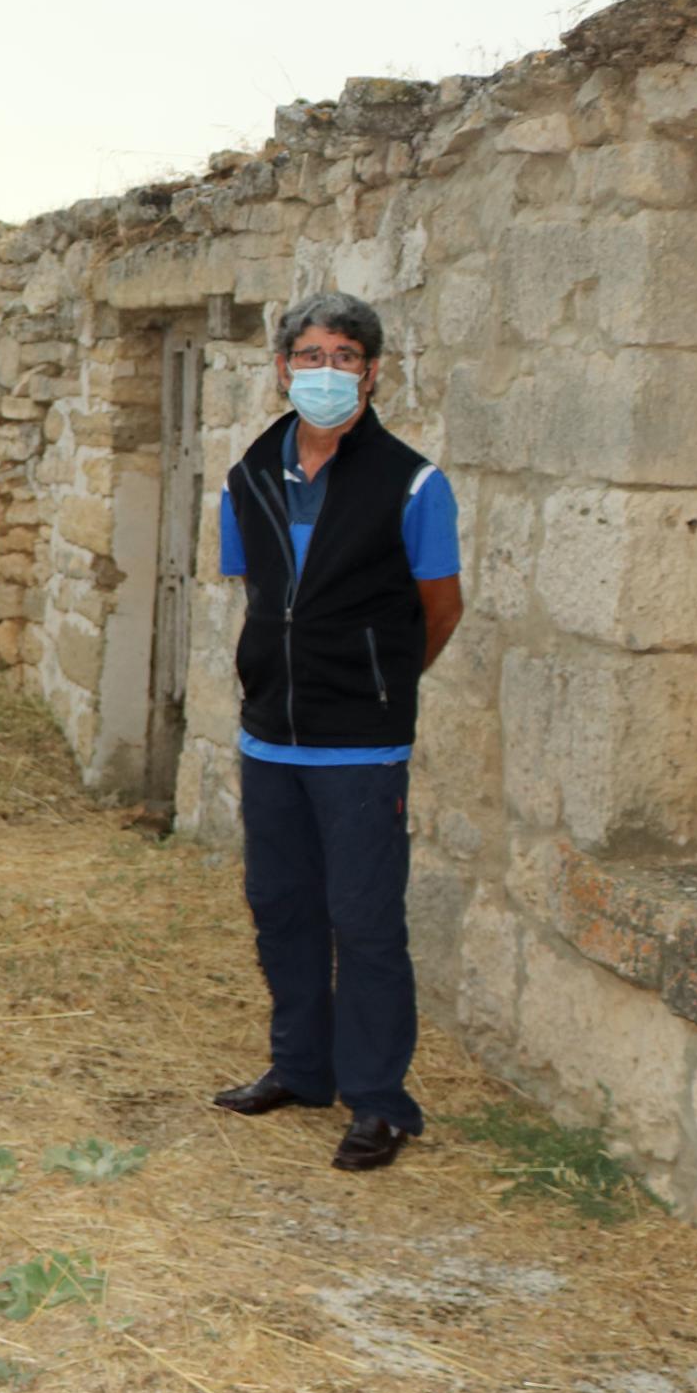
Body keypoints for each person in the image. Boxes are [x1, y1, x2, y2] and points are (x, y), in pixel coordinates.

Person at [207, 292, 463, 1172]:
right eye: (310, 356)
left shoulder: (414, 483)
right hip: (269, 738)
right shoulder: (248, 474)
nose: (326, 372)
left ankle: (380, 1102)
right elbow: (259, 593)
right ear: (283, 369)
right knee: (282, 910)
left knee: (364, 923)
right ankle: (300, 1069)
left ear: (373, 373)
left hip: (361, 746)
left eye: (344, 357)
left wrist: (380, 684)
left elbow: (440, 608)